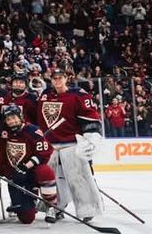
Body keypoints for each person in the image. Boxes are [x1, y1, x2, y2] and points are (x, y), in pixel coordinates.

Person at [37, 66, 103, 220]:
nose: (57, 80)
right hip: (50, 146)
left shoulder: (78, 95)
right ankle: (55, 206)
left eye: (60, 77)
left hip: (71, 144)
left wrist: (90, 136)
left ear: (66, 78)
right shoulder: (45, 95)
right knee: (51, 180)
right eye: (54, 78)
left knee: (77, 177)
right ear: (51, 80)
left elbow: (90, 116)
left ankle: (87, 210)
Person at [0, 104, 58, 223]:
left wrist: (26, 166)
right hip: (17, 176)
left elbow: (45, 152)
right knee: (27, 219)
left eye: (14, 118)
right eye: (9, 119)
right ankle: (27, 202)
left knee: (45, 171)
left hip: (32, 173)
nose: (12, 121)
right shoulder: (4, 132)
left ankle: (51, 207)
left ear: (20, 117)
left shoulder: (32, 130)